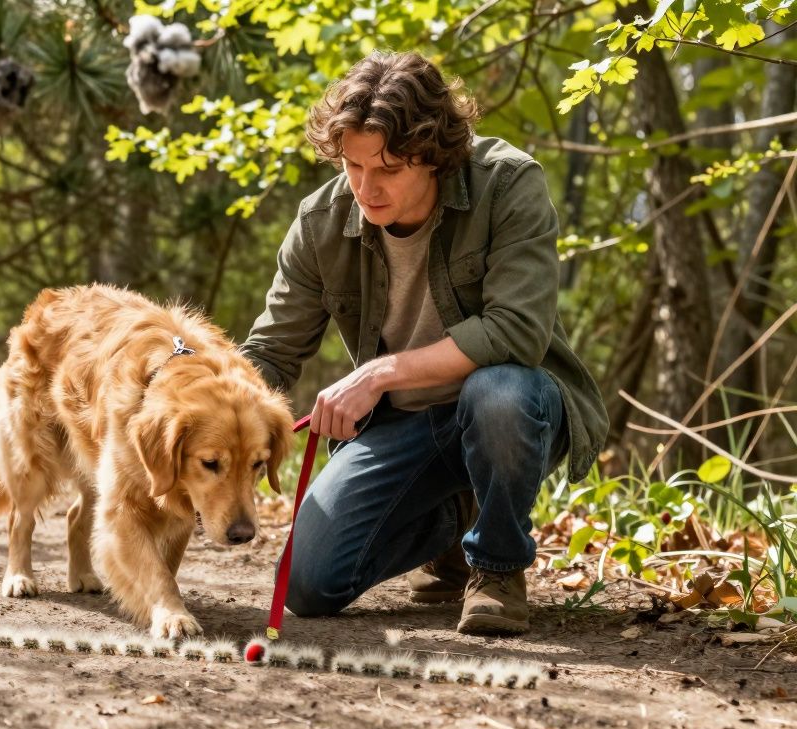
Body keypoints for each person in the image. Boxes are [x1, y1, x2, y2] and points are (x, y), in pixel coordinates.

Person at [239, 50, 608, 635]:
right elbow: (270, 355)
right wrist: (202, 399)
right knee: (309, 585)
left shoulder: (508, 183)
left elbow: (516, 330)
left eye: (387, 168)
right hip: (402, 429)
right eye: (353, 166)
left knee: (499, 391)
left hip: (510, 406)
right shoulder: (320, 222)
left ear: (435, 157)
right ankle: (450, 525)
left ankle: (497, 565)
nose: (366, 187)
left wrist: (377, 375)